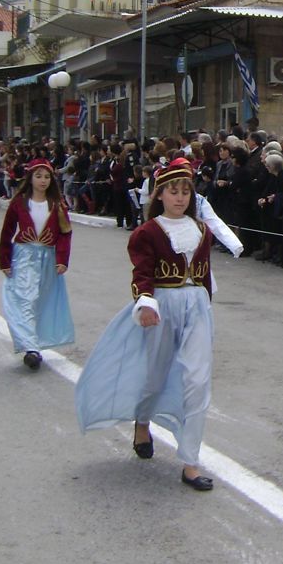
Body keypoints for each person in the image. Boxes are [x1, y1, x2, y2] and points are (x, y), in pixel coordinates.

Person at [75, 159, 218, 491]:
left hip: (196, 308)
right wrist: (146, 301)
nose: (179, 198)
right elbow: (142, 274)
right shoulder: (147, 232)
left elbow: (205, 275)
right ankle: (142, 421)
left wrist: (206, 302)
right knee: (155, 375)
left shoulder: (202, 230)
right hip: (162, 307)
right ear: (160, 194)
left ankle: (190, 463)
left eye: (185, 192)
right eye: (173, 191)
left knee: (197, 380)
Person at [0, 158, 74, 371]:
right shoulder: (19, 202)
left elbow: (65, 234)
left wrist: (62, 259)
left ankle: (35, 343)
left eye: (47, 177)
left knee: (40, 301)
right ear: (30, 178)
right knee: (25, 299)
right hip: (23, 255)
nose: (43, 180)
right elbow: (7, 231)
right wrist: (5, 260)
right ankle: (31, 348)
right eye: (38, 176)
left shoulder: (58, 205)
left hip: (48, 259)